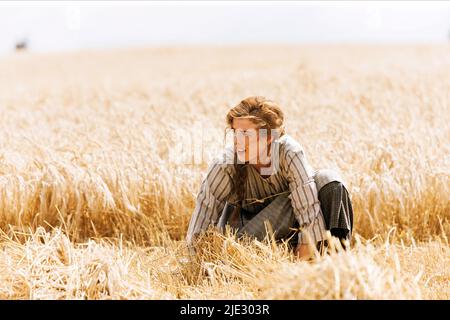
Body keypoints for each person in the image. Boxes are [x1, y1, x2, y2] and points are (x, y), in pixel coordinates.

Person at [186, 96, 353, 260]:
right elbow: (203, 216)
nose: (237, 141)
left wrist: (300, 270)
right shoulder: (225, 163)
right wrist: (195, 264)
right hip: (247, 238)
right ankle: (303, 257)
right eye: (235, 133)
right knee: (302, 194)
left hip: (293, 231)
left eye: (245, 134)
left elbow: (309, 213)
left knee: (329, 182)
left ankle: (336, 262)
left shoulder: (288, 152)